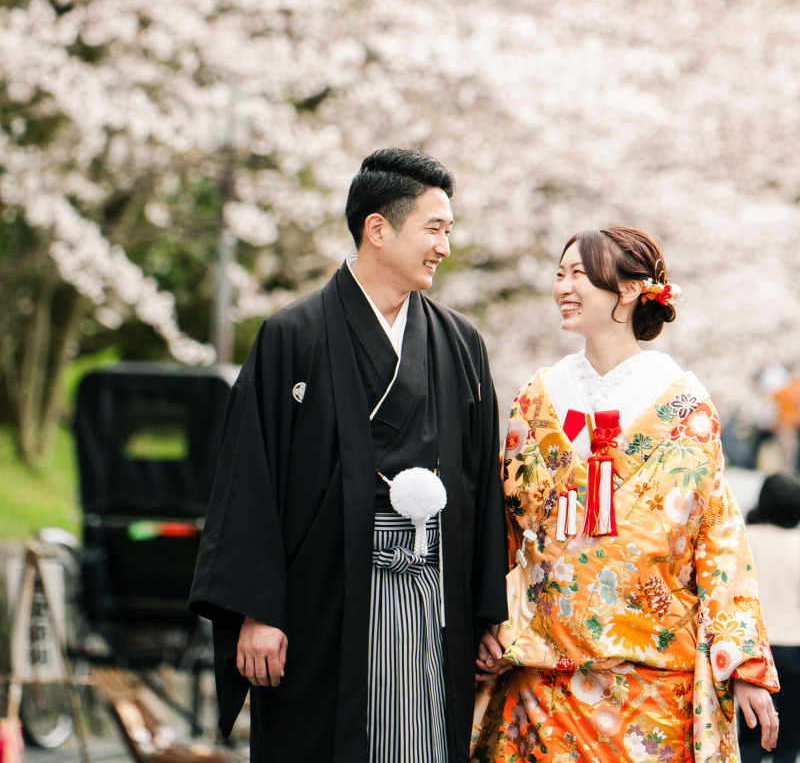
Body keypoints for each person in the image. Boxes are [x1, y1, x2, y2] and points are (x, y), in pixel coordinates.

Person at [190, 148, 508, 763]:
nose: (445, 246)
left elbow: (480, 487)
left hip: (433, 598)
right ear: (378, 229)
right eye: (434, 229)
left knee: (423, 743)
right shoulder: (293, 335)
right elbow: (249, 479)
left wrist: (486, 613)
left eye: (448, 230)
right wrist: (257, 611)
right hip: (321, 601)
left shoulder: (460, 342)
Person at [473, 226, 779, 763]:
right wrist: (486, 621)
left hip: (653, 680)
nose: (563, 287)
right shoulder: (537, 396)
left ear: (633, 289)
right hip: (543, 674)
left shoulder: (684, 406)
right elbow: (502, 523)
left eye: (579, 274)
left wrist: (744, 663)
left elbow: (718, 536)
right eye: (559, 273)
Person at [739, 473, 800, 763]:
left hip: (756, 648)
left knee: (751, 733)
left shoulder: (745, 538)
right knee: (789, 738)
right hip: (795, 648)